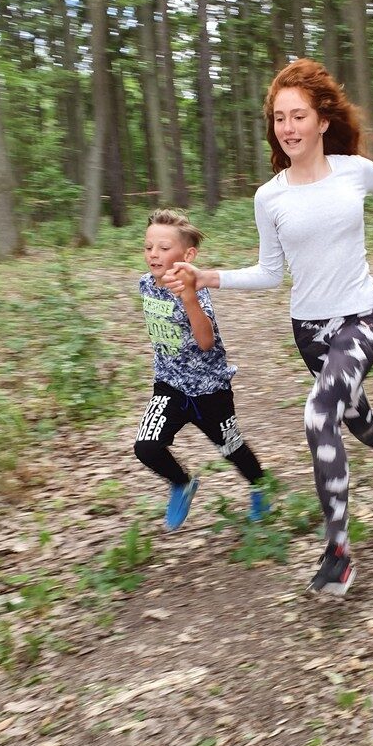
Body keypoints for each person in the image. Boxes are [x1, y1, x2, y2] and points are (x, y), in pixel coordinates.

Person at [166, 59, 373, 596]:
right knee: (353, 419)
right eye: (279, 118)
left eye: (298, 115)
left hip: (361, 317)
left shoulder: (353, 170)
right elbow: (270, 272)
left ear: (323, 121)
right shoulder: (269, 196)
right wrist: (207, 276)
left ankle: (338, 551)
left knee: (318, 413)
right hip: (309, 331)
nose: (288, 127)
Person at [133, 210, 270, 530]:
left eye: (164, 248)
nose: (154, 254)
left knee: (231, 447)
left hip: (210, 390)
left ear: (188, 255)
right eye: (148, 247)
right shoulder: (145, 285)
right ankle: (181, 483)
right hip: (169, 385)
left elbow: (206, 342)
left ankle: (261, 487)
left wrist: (189, 297)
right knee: (146, 448)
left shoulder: (195, 289)